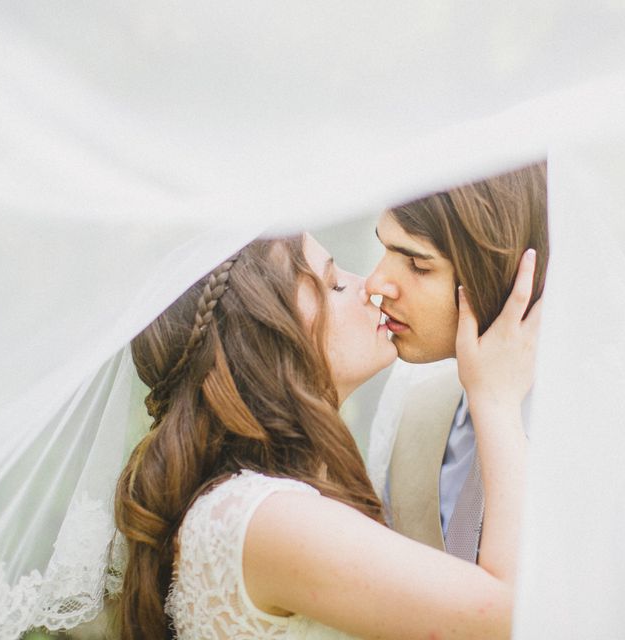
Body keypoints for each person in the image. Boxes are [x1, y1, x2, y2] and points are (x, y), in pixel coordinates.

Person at [114, 233, 540, 639]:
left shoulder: (267, 503)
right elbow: (518, 616)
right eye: (334, 285)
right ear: (265, 345)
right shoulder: (269, 520)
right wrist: (497, 400)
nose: (369, 284)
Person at [366, 160, 547, 560]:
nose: (376, 283)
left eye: (417, 264)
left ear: (500, 273)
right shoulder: (411, 393)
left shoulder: (619, 439)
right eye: (384, 249)